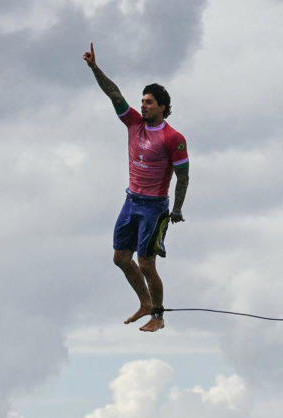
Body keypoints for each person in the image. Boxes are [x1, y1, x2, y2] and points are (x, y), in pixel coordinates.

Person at [83, 42, 189, 332]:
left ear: (163, 107)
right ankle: (144, 302)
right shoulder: (133, 123)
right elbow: (113, 93)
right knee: (120, 258)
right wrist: (94, 68)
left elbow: (183, 176)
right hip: (131, 201)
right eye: (142, 101)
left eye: (149, 102)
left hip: (154, 208)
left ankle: (158, 315)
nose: (143, 105)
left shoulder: (173, 138)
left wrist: (177, 208)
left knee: (146, 263)